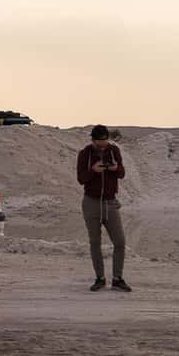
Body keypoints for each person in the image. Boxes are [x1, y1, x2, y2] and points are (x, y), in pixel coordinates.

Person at [77, 125, 132, 292]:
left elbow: (122, 173)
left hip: (110, 202)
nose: (103, 145)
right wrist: (93, 170)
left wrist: (115, 168)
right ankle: (100, 278)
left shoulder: (114, 151)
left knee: (120, 242)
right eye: (99, 142)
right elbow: (81, 179)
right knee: (95, 242)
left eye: (105, 141)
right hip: (91, 202)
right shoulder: (85, 154)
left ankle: (117, 278)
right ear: (92, 140)